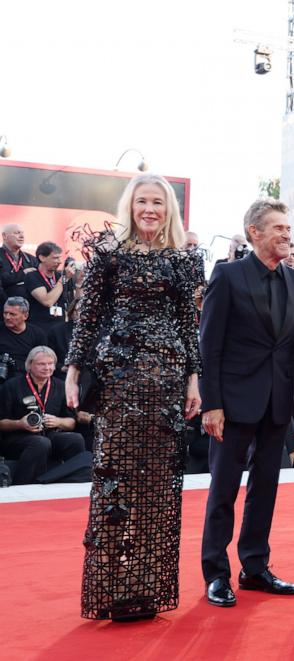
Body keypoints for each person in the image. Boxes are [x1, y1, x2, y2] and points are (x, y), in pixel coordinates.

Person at [65, 173, 203, 621]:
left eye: (158, 204)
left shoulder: (184, 261)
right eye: (142, 201)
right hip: (120, 383)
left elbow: (188, 327)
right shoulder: (108, 253)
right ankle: (110, 588)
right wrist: (73, 371)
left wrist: (193, 381)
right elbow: (87, 319)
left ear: (169, 212)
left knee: (158, 487)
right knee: (114, 479)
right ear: (130, 206)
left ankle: (145, 586)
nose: (150, 210)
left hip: (165, 380)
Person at [199, 198, 294, 607]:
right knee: (224, 491)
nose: (287, 234)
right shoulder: (227, 276)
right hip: (232, 403)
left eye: (288, 228)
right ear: (255, 233)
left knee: (265, 488)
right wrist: (212, 404)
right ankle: (216, 573)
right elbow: (209, 346)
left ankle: (255, 567)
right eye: (279, 228)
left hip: (278, 403)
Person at [0, 346, 85, 484]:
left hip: (49, 434)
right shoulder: (12, 386)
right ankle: (23, 486)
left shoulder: (61, 386)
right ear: (29, 365)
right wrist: (20, 424)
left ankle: (75, 483)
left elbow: (71, 422)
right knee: (40, 443)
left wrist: (58, 421)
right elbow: (1, 423)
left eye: (50, 364)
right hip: (17, 438)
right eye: (41, 364)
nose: (47, 368)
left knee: (76, 439)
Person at [26, 241, 75, 332]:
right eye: (55, 258)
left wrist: (80, 280)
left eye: (59, 258)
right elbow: (47, 301)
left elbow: (75, 300)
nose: (59, 262)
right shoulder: (32, 276)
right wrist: (63, 279)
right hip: (40, 328)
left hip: (60, 328)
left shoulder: (60, 276)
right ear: (42, 257)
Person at [0, 297, 48, 380]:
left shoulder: (38, 334)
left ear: (25, 316)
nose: (7, 317)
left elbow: (42, 360)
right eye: (5, 313)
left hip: (25, 378)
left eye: (12, 314)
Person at [0, 223, 39, 301]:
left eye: (22, 233)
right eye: (17, 233)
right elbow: (2, 279)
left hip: (26, 308)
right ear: (4, 236)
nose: (22, 236)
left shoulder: (31, 259)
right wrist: (23, 273)